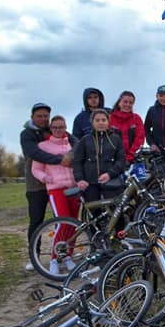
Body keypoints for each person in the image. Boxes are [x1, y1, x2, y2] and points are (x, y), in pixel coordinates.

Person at [21, 102, 72, 268]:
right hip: (36, 185)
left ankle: (62, 252)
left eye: (45, 116)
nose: (43, 119)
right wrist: (60, 160)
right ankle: (33, 257)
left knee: (63, 219)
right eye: (39, 116)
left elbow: (75, 143)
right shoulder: (27, 134)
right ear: (32, 117)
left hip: (59, 184)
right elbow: (35, 153)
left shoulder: (54, 130)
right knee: (36, 220)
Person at [30, 115, 80, 275]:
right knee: (63, 221)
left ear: (66, 128)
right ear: (51, 128)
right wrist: (46, 178)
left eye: (62, 127)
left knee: (74, 224)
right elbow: (36, 169)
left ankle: (67, 256)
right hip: (56, 188)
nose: (59, 130)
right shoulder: (43, 146)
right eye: (55, 127)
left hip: (73, 187)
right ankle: (54, 258)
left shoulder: (72, 144)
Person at [73, 108, 126, 203]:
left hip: (111, 182)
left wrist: (110, 174)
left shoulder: (116, 139)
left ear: (108, 121)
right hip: (90, 183)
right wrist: (80, 179)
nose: (101, 123)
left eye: (103, 120)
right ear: (92, 122)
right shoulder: (85, 140)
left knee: (114, 211)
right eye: (97, 120)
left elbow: (121, 160)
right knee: (95, 212)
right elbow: (77, 161)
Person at [108, 91, 145, 164]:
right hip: (113, 160)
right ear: (119, 102)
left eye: (131, 103)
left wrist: (130, 156)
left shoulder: (136, 118)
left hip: (133, 159)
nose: (128, 104)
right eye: (125, 102)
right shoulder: (110, 119)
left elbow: (139, 139)